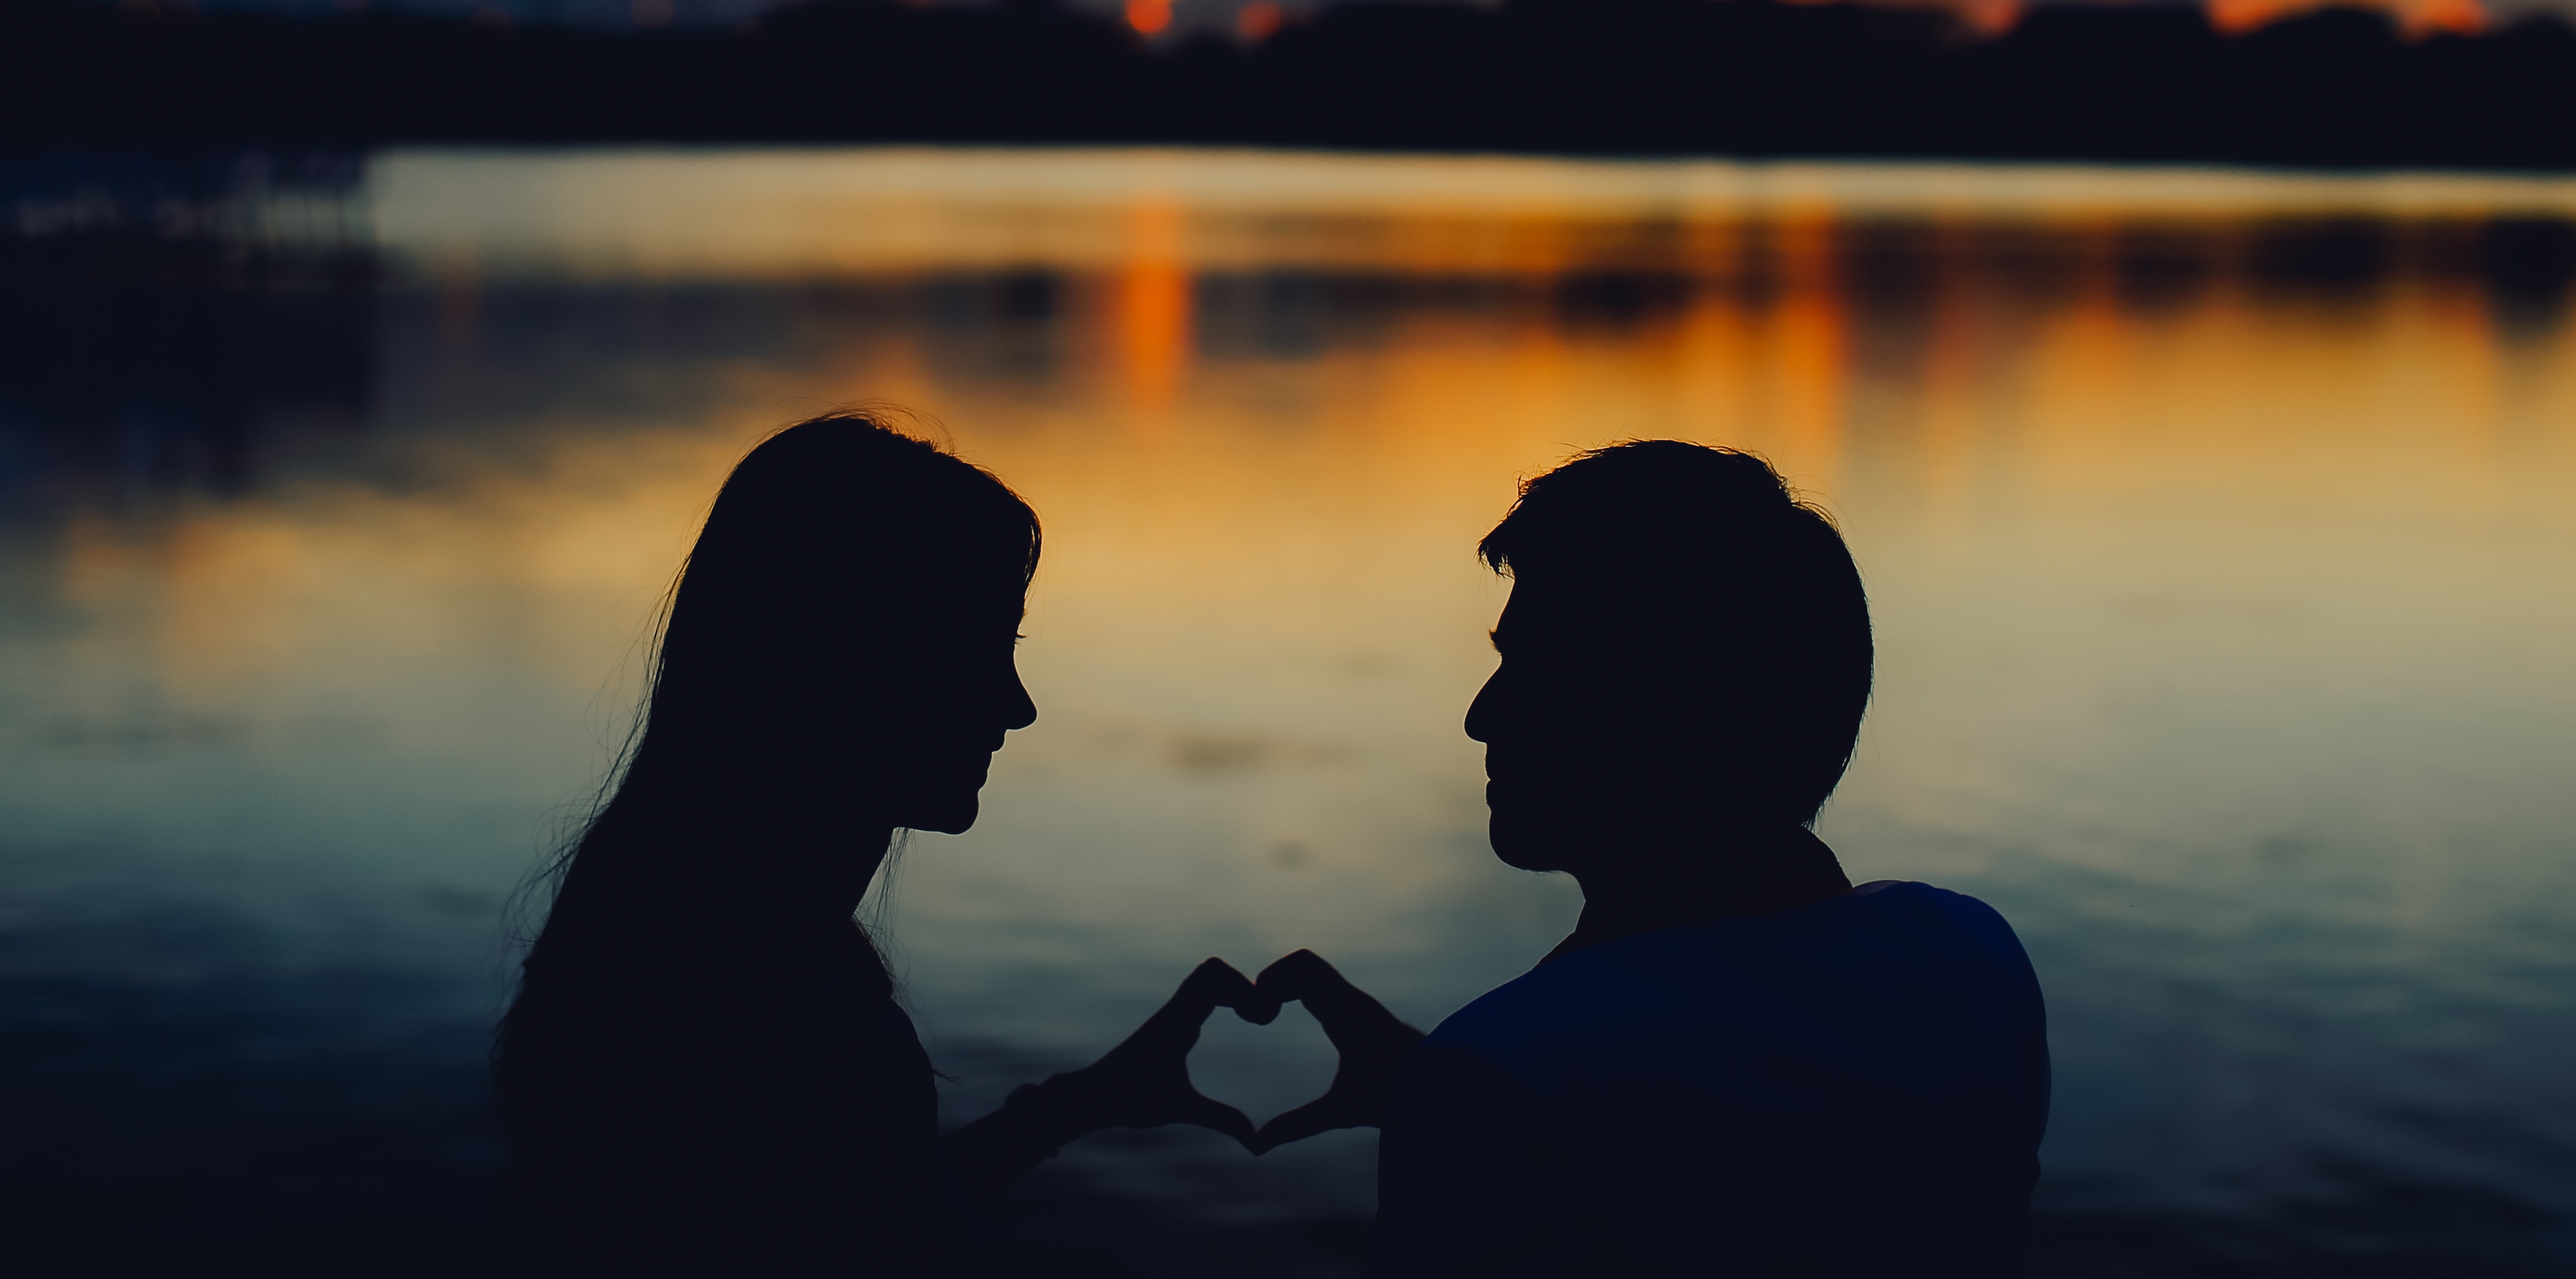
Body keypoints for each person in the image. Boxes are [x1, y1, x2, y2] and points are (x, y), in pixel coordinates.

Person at [1250, 440, 2050, 1275]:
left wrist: (1463, 1095)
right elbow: (1747, 1126)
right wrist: (1448, 1083)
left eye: (1534, 670)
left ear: (1660, 710)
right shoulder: (1971, 961)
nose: (1481, 718)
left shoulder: (1501, 1079)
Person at [493, 412, 1260, 1272]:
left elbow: (872, 1214)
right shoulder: (795, 1023)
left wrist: (1076, 1105)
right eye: (981, 650)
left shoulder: (657, 933)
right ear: (855, 666)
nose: (1018, 707)